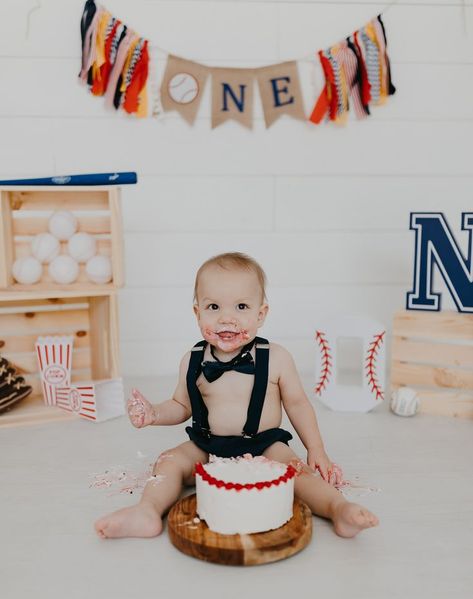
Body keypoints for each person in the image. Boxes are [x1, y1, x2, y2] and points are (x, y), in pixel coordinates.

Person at [95, 252, 379, 539]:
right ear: (197, 313)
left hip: (264, 445)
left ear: (261, 313)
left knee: (300, 473)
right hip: (207, 446)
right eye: (214, 306)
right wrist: (154, 413)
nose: (226, 318)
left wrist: (316, 448)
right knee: (168, 462)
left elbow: (298, 404)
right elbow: (181, 405)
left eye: (241, 306)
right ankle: (147, 512)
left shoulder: (277, 358)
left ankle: (338, 508)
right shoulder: (192, 360)